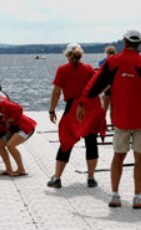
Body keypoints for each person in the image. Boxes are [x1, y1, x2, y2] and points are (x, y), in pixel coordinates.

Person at [77, 30, 141, 209]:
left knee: (118, 157)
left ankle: (114, 195)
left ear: (124, 41)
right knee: (140, 160)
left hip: (121, 118)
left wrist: (82, 102)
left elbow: (95, 84)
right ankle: (138, 197)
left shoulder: (113, 61)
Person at [47, 42, 106, 189]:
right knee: (91, 140)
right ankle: (91, 178)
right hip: (91, 106)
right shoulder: (88, 68)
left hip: (73, 107)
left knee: (66, 141)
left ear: (67, 55)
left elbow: (56, 93)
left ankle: (57, 178)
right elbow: (97, 87)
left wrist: (51, 110)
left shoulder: (62, 69)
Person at [0, 92, 36, 176]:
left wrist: (11, 120)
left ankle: (21, 169)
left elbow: (19, 108)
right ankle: (9, 169)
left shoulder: (2, 103)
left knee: (10, 146)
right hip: (13, 130)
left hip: (24, 127)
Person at [98, 45, 116, 113]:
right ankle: (113, 123)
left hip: (106, 85)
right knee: (113, 108)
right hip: (116, 85)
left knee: (105, 107)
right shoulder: (117, 60)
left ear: (107, 53)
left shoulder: (103, 61)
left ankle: (102, 123)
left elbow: (100, 64)